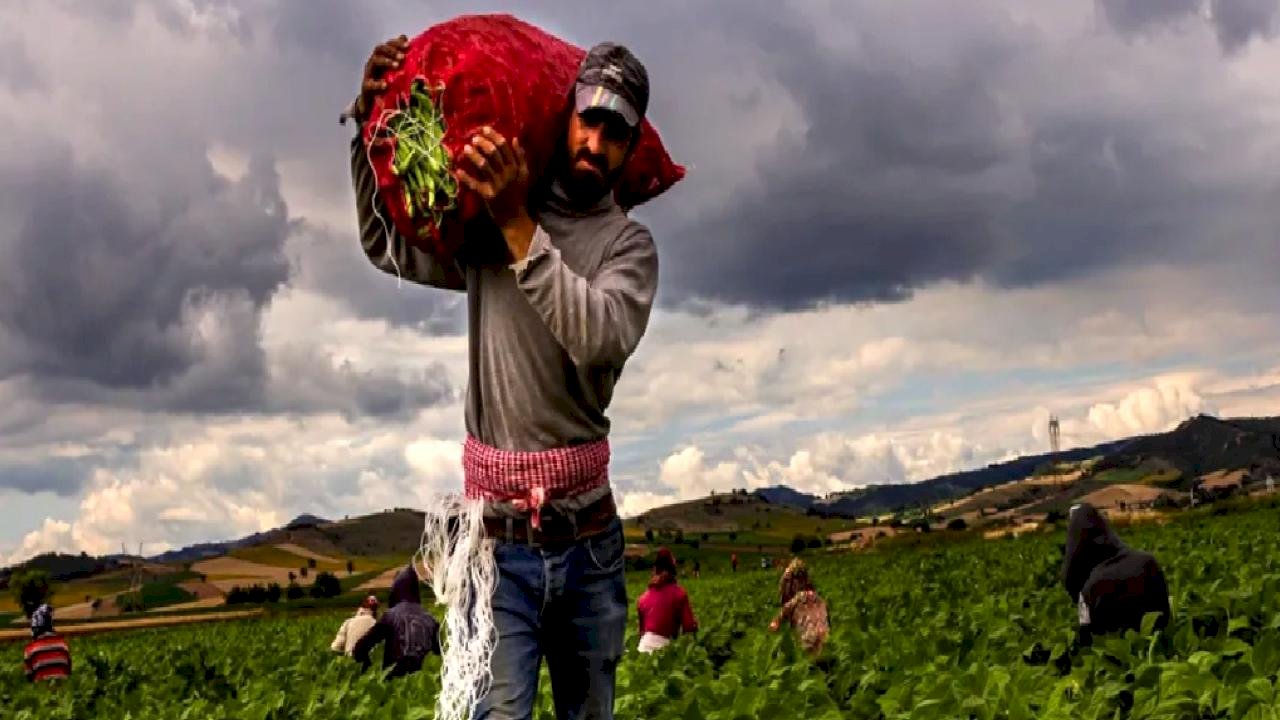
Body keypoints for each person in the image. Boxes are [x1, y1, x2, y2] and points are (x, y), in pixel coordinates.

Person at [345, 36, 660, 720]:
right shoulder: (490, 221)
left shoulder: (626, 247)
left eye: (616, 133)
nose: (596, 142)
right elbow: (386, 246)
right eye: (589, 120)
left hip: (588, 547)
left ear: (632, 147)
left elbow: (599, 338)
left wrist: (519, 224)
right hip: (498, 548)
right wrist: (367, 130)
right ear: (566, 117)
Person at [1062, 503, 1171, 644]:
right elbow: (1164, 610)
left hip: (1120, 652)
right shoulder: (1147, 561)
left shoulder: (1092, 587)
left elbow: (1087, 638)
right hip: (1160, 644)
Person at [352, 566, 441, 678]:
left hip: (394, 679)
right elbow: (440, 654)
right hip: (423, 680)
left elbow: (361, 647)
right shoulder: (431, 619)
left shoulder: (390, 615)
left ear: (395, 589)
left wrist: (365, 665)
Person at [635, 548, 698, 653]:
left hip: (643, 648)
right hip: (663, 649)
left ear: (655, 570)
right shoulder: (679, 594)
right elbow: (689, 626)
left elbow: (641, 632)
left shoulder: (643, 598)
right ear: (673, 570)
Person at [768, 558, 830, 656]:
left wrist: (774, 625)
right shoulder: (820, 600)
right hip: (826, 646)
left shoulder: (797, 600)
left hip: (808, 647)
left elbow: (776, 623)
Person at [23, 603, 72, 683]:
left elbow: (29, 677)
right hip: (63, 688)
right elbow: (68, 672)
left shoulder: (30, 650)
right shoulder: (63, 646)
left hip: (41, 688)